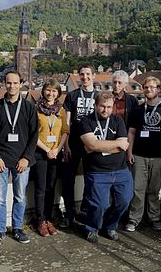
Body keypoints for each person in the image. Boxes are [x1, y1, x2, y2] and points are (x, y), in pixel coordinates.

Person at [0, 71, 38, 246]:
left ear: (21, 84)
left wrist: (26, 158)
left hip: (21, 161)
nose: (12, 86)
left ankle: (17, 228)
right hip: (0, 160)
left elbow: (34, 136)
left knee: (20, 197)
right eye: (9, 83)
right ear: (4, 84)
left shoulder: (29, 107)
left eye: (15, 83)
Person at [79, 91, 133, 243]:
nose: (106, 110)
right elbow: (91, 144)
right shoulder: (86, 121)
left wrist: (98, 146)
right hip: (97, 172)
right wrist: (114, 144)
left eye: (109, 107)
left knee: (124, 201)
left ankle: (110, 226)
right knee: (99, 204)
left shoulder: (118, 121)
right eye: (102, 106)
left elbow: (123, 146)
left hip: (121, 170)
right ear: (96, 106)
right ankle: (92, 228)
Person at [125, 76, 161, 232]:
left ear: (158, 89)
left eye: (152, 87)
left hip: (159, 156)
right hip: (139, 155)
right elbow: (131, 132)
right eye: (146, 87)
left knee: (154, 190)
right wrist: (129, 152)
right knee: (137, 189)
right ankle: (134, 219)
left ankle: (154, 217)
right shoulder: (138, 110)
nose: (149, 90)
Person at [60, 64, 97, 228]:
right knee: (68, 180)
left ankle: (84, 211)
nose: (85, 77)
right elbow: (66, 123)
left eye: (88, 74)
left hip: (91, 144)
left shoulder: (99, 96)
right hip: (73, 143)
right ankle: (68, 213)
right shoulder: (72, 95)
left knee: (92, 180)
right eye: (82, 74)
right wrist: (65, 145)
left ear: (93, 76)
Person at [33, 79, 69, 236]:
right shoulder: (36, 109)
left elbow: (65, 132)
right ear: (43, 91)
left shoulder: (60, 110)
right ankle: (40, 220)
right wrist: (47, 149)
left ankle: (48, 219)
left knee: (51, 187)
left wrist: (58, 149)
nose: (51, 93)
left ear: (58, 93)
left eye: (54, 91)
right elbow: (33, 133)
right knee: (40, 188)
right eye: (48, 90)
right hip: (41, 153)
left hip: (55, 153)